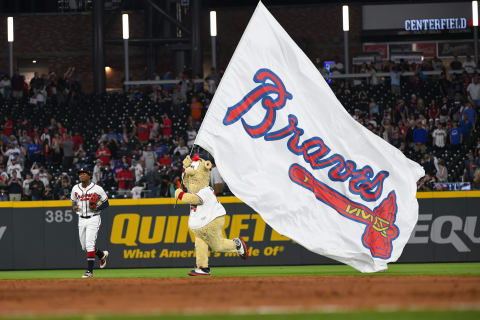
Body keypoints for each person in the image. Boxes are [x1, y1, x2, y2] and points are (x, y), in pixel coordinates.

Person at [71, 168, 110, 278]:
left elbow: (106, 203)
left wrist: (98, 209)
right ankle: (102, 255)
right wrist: (74, 207)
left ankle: (89, 271)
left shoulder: (97, 188)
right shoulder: (75, 188)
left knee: (89, 244)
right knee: (84, 247)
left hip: (94, 218)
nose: (81, 176)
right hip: (81, 219)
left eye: (84, 174)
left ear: (89, 176)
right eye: (80, 174)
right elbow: (73, 201)